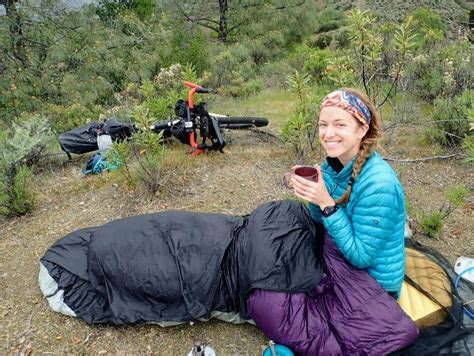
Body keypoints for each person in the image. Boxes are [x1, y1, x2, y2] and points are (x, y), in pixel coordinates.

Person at [289, 88, 406, 299]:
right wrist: (314, 194)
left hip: (374, 286)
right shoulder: (334, 164)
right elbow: (319, 220)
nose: (328, 133)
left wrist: (326, 203)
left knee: (276, 303)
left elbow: (361, 257)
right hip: (341, 258)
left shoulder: (379, 185)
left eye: (340, 124)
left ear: (362, 130)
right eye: (323, 125)